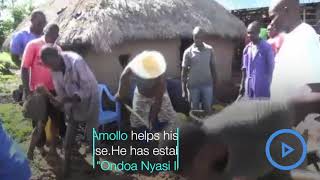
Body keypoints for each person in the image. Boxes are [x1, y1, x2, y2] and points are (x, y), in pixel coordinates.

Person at [161, 83, 320, 180]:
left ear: (205, 152)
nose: (190, 177)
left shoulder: (254, 119)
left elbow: (303, 102)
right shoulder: (200, 167)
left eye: (190, 172)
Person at [40, 45, 99, 177]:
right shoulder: (54, 69)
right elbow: (61, 92)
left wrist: (66, 100)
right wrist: (60, 103)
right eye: (47, 66)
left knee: (91, 135)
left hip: (91, 99)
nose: (50, 68)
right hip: (72, 103)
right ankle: (65, 169)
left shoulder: (76, 61)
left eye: (50, 64)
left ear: (56, 56)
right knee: (68, 137)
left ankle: (97, 165)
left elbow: (87, 88)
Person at [21, 24, 65, 160]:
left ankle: (53, 148)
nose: (55, 37)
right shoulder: (33, 45)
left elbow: (61, 69)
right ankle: (38, 148)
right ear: (45, 31)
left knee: (56, 119)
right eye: (52, 33)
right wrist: (27, 91)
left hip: (53, 91)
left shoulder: (58, 49)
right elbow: (24, 68)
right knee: (40, 123)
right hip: (37, 91)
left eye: (57, 34)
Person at [269, 0, 320, 100]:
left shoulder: (305, 36)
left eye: (273, 17)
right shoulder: (291, 37)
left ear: (286, 11)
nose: (271, 23)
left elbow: (316, 89)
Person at [116, 50, 177, 131]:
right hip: (140, 95)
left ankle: (166, 135)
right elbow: (122, 89)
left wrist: (151, 121)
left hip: (158, 95)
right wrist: (119, 95)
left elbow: (158, 102)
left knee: (167, 119)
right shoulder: (129, 70)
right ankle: (142, 137)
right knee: (138, 123)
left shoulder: (159, 74)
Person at [181, 26, 217, 114]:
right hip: (193, 86)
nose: (197, 39)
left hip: (207, 85)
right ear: (193, 37)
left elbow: (213, 67)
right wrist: (183, 89)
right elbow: (184, 72)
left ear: (203, 37)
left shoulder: (210, 50)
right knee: (194, 110)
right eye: (195, 37)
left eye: (199, 37)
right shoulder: (188, 52)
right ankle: (196, 127)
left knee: (208, 108)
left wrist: (215, 82)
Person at [238, 21, 274, 99]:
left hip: (263, 87)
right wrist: (242, 85)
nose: (249, 35)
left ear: (258, 32)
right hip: (249, 87)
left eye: (252, 33)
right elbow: (244, 69)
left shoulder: (266, 48)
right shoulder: (247, 49)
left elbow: (271, 68)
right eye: (248, 33)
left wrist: (270, 85)